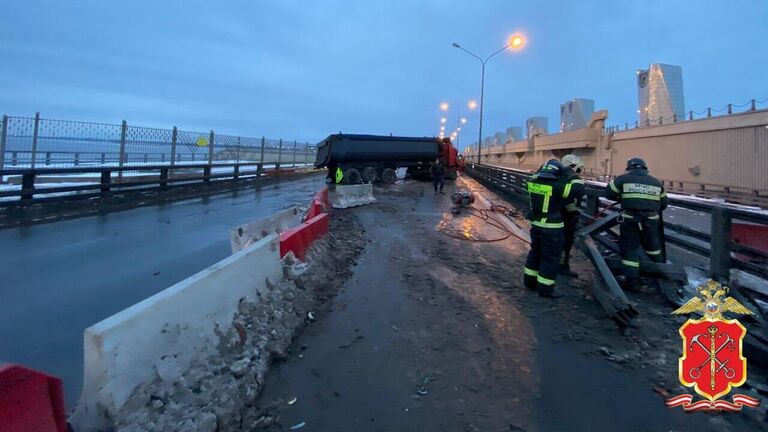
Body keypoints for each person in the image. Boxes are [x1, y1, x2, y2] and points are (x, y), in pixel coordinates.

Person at [605, 157, 668, 291]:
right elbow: (663, 204)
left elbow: (609, 193)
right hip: (652, 220)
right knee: (653, 247)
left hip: (630, 219)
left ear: (629, 168)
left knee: (630, 249)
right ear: (645, 168)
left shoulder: (623, 179)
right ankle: (660, 275)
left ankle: (632, 282)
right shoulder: (656, 183)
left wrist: (622, 197)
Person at [523, 159, 572, 298]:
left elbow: (533, 176)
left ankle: (529, 282)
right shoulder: (559, 187)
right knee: (550, 258)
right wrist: (565, 174)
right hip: (552, 227)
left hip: (536, 225)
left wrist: (540, 171)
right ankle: (545, 289)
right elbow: (575, 190)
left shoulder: (532, 183)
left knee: (535, 253)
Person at [559, 154, 586, 277]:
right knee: (566, 241)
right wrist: (574, 213)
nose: (579, 172)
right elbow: (574, 194)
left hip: (554, 215)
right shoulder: (570, 179)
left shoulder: (555, 177)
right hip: (565, 216)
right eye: (578, 169)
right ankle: (562, 266)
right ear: (572, 167)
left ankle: (555, 263)